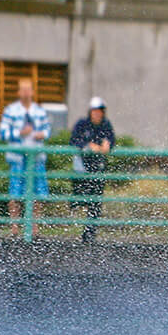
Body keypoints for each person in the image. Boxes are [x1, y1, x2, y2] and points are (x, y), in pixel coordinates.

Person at [0, 79, 51, 238]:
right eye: (23, 90)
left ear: (32, 92)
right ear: (19, 92)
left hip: (36, 158)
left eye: (29, 90)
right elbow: (3, 133)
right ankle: (15, 227)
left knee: (37, 193)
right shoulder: (11, 111)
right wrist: (19, 133)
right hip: (18, 159)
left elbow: (47, 130)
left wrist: (43, 134)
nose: (27, 93)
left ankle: (34, 227)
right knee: (15, 193)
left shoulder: (40, 111)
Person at [69, 97, 115, 244]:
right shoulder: (82, 124)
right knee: (81, 197)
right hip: (82, 167)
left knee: (95, 201)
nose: (97, 114)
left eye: (100, 111)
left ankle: (89, 232)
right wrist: (89, 146)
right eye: (95, 111)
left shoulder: (106, 125)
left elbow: (111, 139)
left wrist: (108, 145)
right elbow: (74, 140)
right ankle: (77, 221)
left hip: (98, 167)